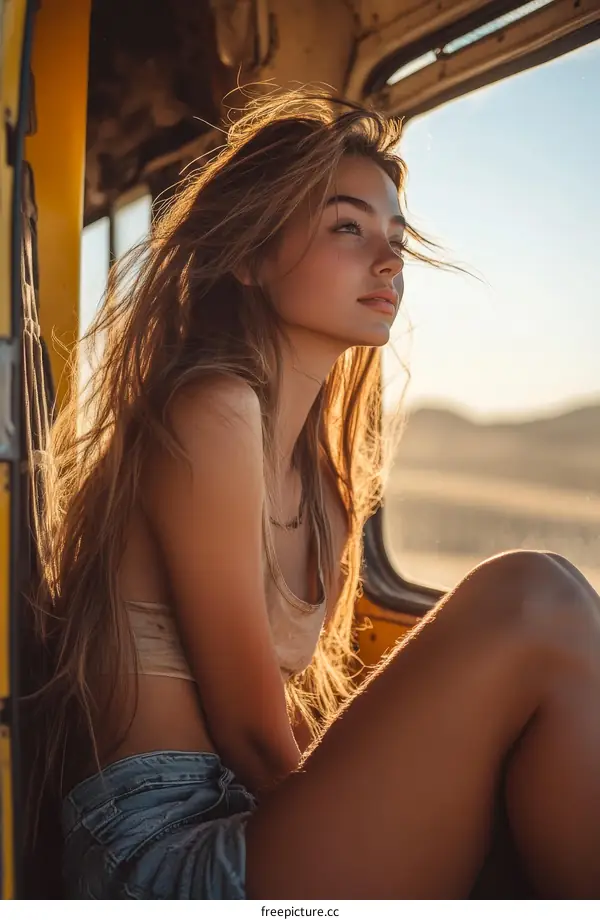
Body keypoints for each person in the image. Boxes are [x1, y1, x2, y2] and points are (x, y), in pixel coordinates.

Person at [35, 89, 600, 899]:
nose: (389, 261)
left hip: (245, 816)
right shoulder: (211, 411)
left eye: (396, 239)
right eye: (347, 228)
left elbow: (284, 728)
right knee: (537, 594)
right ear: (250, 257)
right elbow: (254, 737)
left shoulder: (322, 483)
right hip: (161, 852)